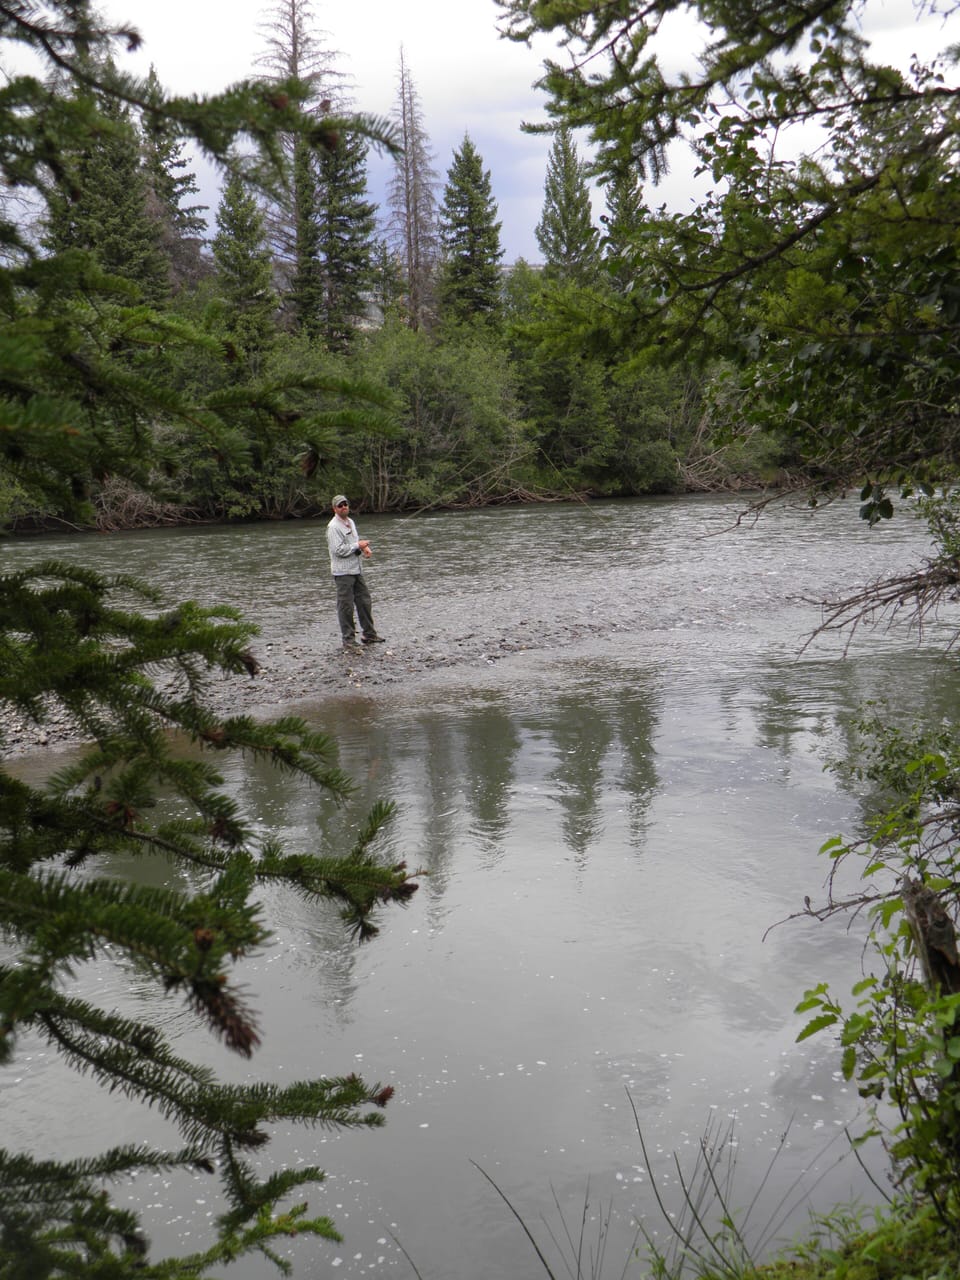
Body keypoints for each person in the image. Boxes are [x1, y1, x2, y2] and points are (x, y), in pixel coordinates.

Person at [326, 494, 385, 650]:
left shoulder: (350, 522)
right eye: (340, 505)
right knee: (346, 607)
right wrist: (358, 545)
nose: (344, 507)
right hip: (342, 573)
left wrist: (364, 548)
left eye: (345, 504)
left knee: (364, 601)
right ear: (334, 509)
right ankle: (348, 640)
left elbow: (355, 541)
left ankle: (369, 635)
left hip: (356, 570)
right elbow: (338, 550)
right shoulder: (333, 527)